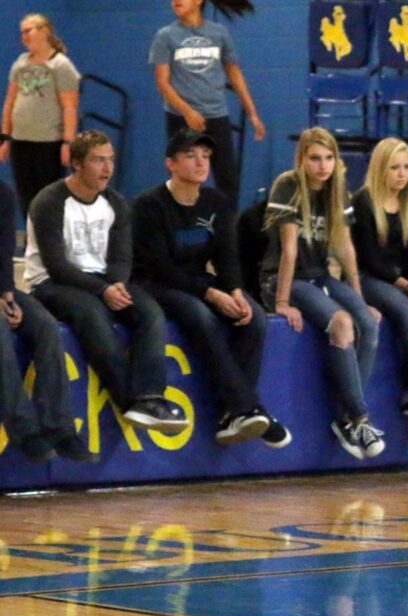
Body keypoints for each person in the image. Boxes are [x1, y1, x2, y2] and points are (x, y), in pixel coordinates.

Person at [24, 130, 188, 436]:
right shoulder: (49, 201)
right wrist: (102, 291)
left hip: (102, 279)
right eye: (98, 160)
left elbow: (121, 257)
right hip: (51, 282)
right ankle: (128, 401)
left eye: (110, 160)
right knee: (92, 315)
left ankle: (151, 397)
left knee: (150, 312)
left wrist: (115, 285)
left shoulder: (116, 203)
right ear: (76, 164)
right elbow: (57, 266)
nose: (107, 168)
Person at [133, 129, 290, 448]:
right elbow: (160, 266)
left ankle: (231, 414)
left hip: (198, 279)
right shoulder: (149, 205)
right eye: (191, 155)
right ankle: (248, 407)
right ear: (171, 164)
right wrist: (210, 294)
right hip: (156, 283)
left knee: (254, 317)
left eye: (205, 156)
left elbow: (226, 255)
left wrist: (233, 289)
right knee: (201, 317)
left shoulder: (216, 201)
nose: (201, 162)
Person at [260, 127, 384, 460]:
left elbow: (344, 248)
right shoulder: (287, 185)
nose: (322, 166)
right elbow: (288, 250)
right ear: (301, 160)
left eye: (329, 158)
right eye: (315, 158)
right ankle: (360, 418)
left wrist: (360, 298)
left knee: (369, 324)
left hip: (319, 276)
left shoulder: (336, 189)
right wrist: (282, 302)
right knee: (341, 323)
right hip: (283, 279)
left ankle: (347, 421)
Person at [0, 177, 90, 463]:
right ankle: (24, 430)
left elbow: (3, 252)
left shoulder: (4, 193)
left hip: (2, 289)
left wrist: (5, 294)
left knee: (47, 327)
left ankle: (59, 427)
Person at [350, 137, 408, 418]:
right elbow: (370, 259)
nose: (403, 174)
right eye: (394, 168)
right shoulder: (363, 202)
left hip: (407, 279)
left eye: (407, 167)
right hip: (371, 278)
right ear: (380, 169)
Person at [149, 0, 265, 210]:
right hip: (180, 118)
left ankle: (226, 233)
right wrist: (187, 112)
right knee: (184, 178)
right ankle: (181, 228)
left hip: (216, 115)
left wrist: (252, 112)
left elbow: (235, 74)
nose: (176, 1)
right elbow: (162, 84)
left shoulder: (218, 33)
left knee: (227, 179)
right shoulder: (165, 35)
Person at [0, 13, 79, 218]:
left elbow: (69, 107)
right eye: (21, 33)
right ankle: (30, 244)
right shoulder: (20, 63)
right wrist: (5, 138)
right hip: (20, 141)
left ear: (44, 31)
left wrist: (67, 143)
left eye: (28, 31)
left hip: (48, 143)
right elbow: (10, 102)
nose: (23, 36)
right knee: (25, 196)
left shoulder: (60, 65)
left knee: (47, 198)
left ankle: (47, 244)